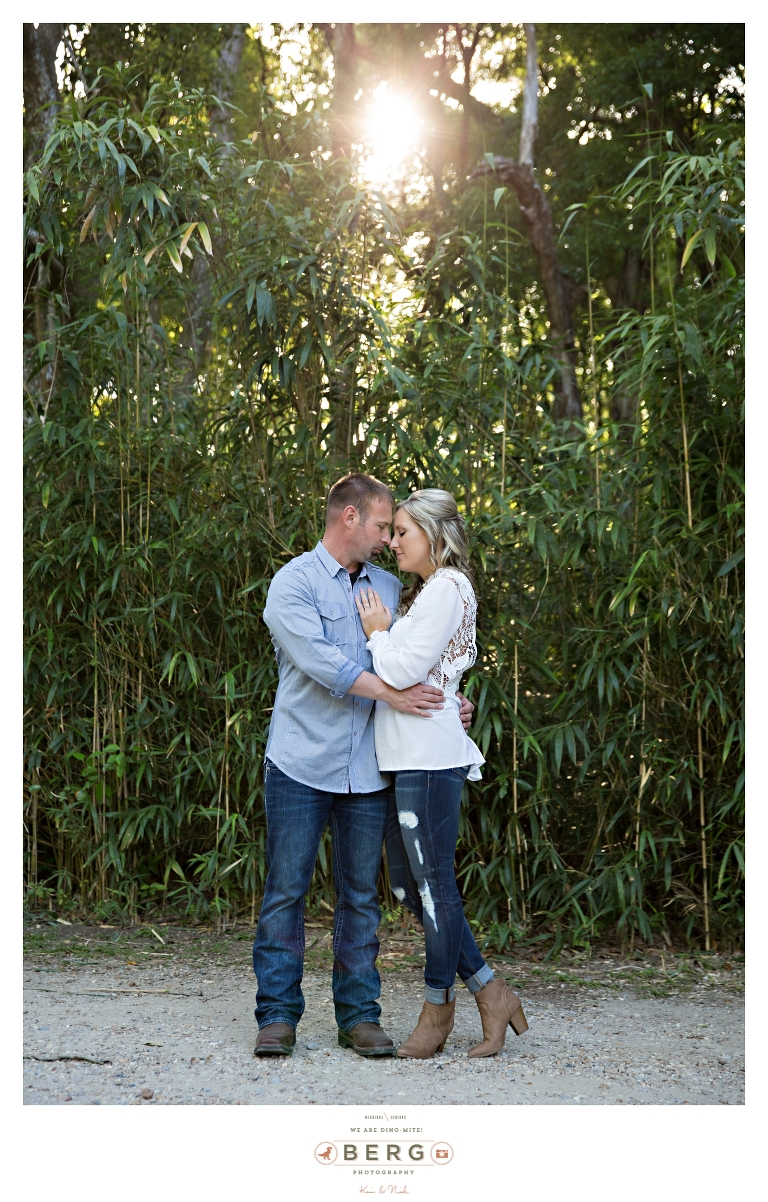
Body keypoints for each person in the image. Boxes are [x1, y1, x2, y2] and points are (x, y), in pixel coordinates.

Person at [252, 473, 474, 1058]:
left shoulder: (387, 588)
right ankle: (277, 1016)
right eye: (381, 526)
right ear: (349, 518)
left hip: (370, 766)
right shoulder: (292, 584)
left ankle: (359, 1016)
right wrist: (395, 696)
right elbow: (323, 663)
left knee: (360, 896)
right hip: (302, 760)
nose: (386, 541)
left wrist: (446, 699)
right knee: (285, 890)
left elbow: (410, 661)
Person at [356, 488, 529, 1059]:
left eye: (403, 531)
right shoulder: (428, 594)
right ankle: (490, 990)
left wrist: (378, 633)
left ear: (433, 535)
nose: (393, 541)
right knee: (412, 885)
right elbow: (424, 672)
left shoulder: (448, 588)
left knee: (434, 887)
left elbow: (403, 669)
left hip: (428, 760)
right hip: (408, 757)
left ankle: (439, 1007)